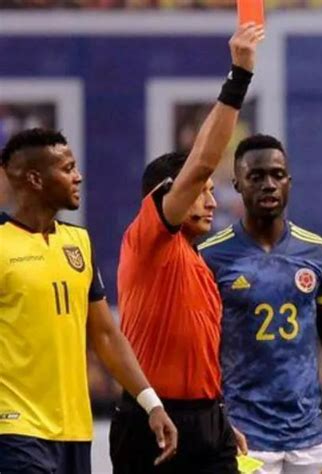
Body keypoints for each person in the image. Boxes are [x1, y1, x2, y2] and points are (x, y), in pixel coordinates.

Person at [110, 23, 264, 474]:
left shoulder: (198, 263)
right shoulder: (148, 240)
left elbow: (197, 358)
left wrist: (219, 417)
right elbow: (199, 165)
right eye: (202, 191)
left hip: (209, 421)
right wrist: (239, 76)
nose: (212, 199)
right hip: (152, 419)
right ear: (166, 192)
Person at [0, 128, 177, 474]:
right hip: (14, 429)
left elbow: (106, 336)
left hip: (74, 431)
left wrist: (151, 403)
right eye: (67, 169)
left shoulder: (78, 242)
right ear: (36, 179)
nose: (78, 176)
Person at [200, 134, 322, 474]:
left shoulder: (320, 254)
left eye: (277, 175)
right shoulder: (210, 257)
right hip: (244, 438)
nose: (269, 185)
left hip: (311, 439)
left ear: (289, 182)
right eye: (256, 176)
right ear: (237, 184)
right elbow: (201, 351)